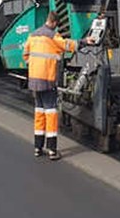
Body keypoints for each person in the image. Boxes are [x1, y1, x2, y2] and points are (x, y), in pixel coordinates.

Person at [22, 11, 92, 160]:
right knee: (51, 114)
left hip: (34, 80)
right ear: (54, 23)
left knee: (39, 113)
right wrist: (85, 41)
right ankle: (52, 150)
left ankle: (37, 147)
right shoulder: (53, 36)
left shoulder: (33, 35)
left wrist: (35, 66)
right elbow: (68, 44)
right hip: (47, 80)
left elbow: (26, 55)